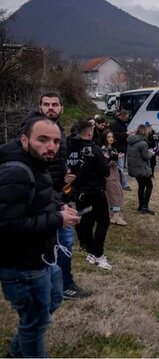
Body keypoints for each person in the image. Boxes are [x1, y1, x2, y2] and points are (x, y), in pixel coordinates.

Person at [0, 116, 81, 357]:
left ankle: (17, 352)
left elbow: (38, 202)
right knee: (35, 324)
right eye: (43, 140)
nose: (51, 147)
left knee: (52, 300)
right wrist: (58, 220)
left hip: (42, 256)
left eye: (56, 141)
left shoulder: (36, 163)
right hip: (22, 266)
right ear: (24, 140)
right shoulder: (16, 171)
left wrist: (59, 209)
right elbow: (7, 226)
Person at [24, 93, 90, 300]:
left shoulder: (57, 131)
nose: (50, 108)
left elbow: (55, 163)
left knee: (59, 242)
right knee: (62, 240)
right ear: (40, 106)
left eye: (55, 105)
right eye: (46, 104)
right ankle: (62, 286)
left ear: (62, 108)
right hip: (42, 198)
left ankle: (56, 285)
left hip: (56, 194)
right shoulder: (33, 129)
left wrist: (65, 176)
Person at [67, 119, 112, 270]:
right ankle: (97, 254)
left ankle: (89, 249)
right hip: (94, 191)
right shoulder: (94, 149)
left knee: (86, 221)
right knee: (103, 221)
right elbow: (105, 171)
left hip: (78, 191)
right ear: (89, 132)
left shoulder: (69, 147)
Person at [127, 124, 155, 214]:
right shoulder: (143, 143)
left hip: (134, 168)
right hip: (142, 169)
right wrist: (151, 153)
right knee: (149, 186)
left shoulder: (131, 141)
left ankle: (140, 206)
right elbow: (146, 157)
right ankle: (145, 207)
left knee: (141, 186)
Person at [102, 130, 127, 226]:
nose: (111, 138)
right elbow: (105, 163)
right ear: (104, 138)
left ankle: (115, 214)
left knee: (117, 192)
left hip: (114, 173)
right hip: (109, 174)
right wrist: (116, 158)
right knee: (115, 193)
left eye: (111, 136)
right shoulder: (104, 149)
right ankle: (115, 216)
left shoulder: (112, 148)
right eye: (108, 137)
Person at [110, 110, 131, 190]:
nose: (127, 119)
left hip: (122, 147)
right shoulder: (114, 124)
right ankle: (123, 184)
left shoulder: (122, 124)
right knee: (120, 167)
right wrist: (126, 134)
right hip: (118, 148)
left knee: (121, 167)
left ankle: (121, 183)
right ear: (122, 116)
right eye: (126, 118)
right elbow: (115, 136)